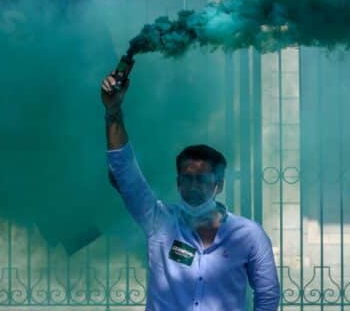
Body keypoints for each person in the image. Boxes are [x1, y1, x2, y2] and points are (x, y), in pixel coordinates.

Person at [101, 75, 280, 310]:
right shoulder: (159, 221)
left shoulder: (249, 235)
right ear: (178, 183)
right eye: (187, 179)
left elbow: (267, 295)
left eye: (202, 179)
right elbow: (125, 171)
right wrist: (113, 110)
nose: (194, 186)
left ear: (219, 185)